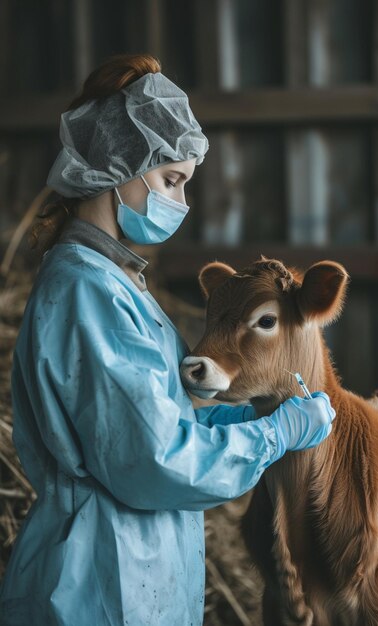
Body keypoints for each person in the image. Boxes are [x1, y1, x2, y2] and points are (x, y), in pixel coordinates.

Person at [0, 53, 335, 626]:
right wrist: (274, 436)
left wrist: (250, 418)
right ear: (117, 165)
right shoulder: (87, 295)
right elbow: (153, 461)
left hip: (138, 566)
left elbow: (160, 421)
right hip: (99, 581)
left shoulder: (117, 284)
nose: (179, 203)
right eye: (170, 181)